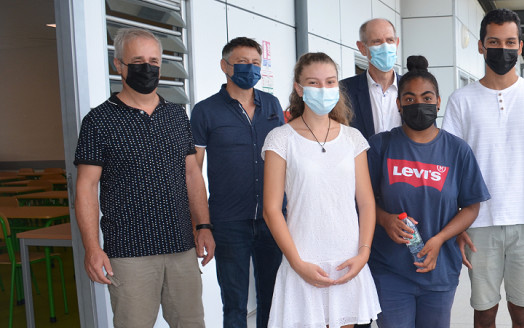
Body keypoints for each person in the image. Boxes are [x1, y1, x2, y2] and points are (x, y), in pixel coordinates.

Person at [74, 27, 215, 327]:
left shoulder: (177, 116)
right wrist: (92, 247)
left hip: (181, 246)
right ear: (119, 65)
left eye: (154, 61)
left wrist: (203, 225)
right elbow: (86, 187)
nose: (147, 68)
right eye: (138, 60)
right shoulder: (98, 121)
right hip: (129, 253)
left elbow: (192, 174)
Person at [442, 9, 524, 328]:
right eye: (494, 42)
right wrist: (457, 225)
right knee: (484, 312)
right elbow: (452, 168)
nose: (502, 49)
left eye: (510, 42)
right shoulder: (461, 100)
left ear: (521, 47)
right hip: (478, 223)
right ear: (481, 46)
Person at [367, 55, 490, 327]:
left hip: (440, 269)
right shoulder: (380, 146)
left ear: (438, 101)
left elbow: (471, 206)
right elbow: (362, 200)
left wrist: (441, 238)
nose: (418, 104)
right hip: (389, 270)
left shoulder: (457, 150)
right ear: (398, 104)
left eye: (426, 97)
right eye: (409, 99)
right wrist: (386, 220)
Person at [261, 52, 381, 327]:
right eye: (314, 83)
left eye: (330, 82)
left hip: (347, 259)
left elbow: (365, 202)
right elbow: (271, 210)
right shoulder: (280, 139)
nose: (323, 89)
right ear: (299, 88)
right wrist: (296, 262)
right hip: (302, 259)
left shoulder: (353, 138)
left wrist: (363, 253)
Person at [189, 37, 284, 328]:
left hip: (271, 218)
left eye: (256, 63)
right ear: (225, 66)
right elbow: (193, 172)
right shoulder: (206, 111)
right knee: (234, 304)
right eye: (242, 62)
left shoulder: (272, 105)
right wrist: (200, 225)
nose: (250, 68)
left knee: (273, 299)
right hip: (229, 222)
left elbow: (285, 160)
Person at [341, 18, 402, 139]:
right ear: (362, 48)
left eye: (390, 40)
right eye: (377, 42)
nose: (385, 47)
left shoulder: (413, 89)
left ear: (397, 43)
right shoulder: (344, 91)